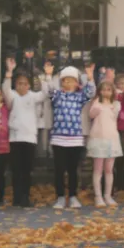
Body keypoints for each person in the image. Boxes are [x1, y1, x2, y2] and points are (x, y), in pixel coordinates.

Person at [43, 64, 95, 209]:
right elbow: (48, 91)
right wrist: (48, 76)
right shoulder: (58, 95)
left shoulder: (79, 97)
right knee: (59, 170)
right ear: (61, 82)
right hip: (59, 138)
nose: (68, 83)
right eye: (65, 80)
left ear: (77, 82)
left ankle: (72, 196)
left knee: (73, 170)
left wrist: (90, 77)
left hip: (75, 139)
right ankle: (60, 196)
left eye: (72, 80)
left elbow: (90, 92)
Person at [3, 59, 45, 207]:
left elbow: (44, 94)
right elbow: (5, 91)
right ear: (16, 84)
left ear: (29, 85)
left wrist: (44, 76)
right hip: (15, 137)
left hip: (29, 138)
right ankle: (16, 197)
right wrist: (9, 73)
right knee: (16, 170)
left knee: (27, 170)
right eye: (19, 83)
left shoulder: (33, 96)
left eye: (25, 83)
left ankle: (25, 197)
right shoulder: (13, 95)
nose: (22, 86)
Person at [87, 79, 123, 207]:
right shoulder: (96, 103)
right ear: (99, 91)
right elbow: (91, 115)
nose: (106, 92)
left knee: (109, 170)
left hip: (111, 139)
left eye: (108, 90)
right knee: (98, 169)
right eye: (103, 90)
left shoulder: (116, 104)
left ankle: (108, 195)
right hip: (98, 138)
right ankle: (98, 196)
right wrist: (96, 104)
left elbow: (115, 115)